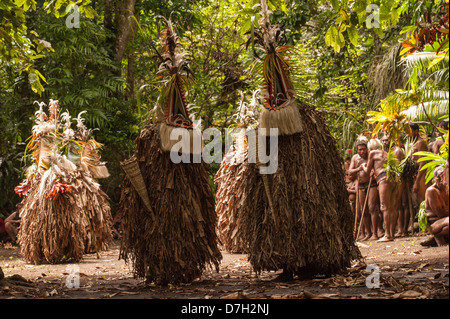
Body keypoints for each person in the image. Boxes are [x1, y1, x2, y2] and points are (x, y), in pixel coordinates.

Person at [362, 138, 399, 242]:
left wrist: (363, 166)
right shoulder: (386, 153)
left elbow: (367, 171)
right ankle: (391, 233)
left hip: (384, 179)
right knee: (391, 207)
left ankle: (387, 235)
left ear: (370, 148)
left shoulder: (372, 153)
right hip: (393, 179)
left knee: (384, 207)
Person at [347, 136, 381, 240]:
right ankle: (368, 234)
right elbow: (349, 172)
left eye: (363, 149)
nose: (362, 151)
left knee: (372, 207)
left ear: (367, 148)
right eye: (360, 149)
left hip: (371, 184)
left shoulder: (371, 155)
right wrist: (359, 167)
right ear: (357, 150)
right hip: (360, 185)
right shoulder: (355, 158)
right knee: (363, 210)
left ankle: (375, 233)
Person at [422, 167, 449, 246]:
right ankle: (438, 236)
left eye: (444, 178)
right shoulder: (431, 191)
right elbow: (440, 213)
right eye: (439, 178)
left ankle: (440, 238)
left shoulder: (446, 190)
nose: (442, 181)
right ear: (435, 178)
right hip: (435, 225)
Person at [409, 122, 429, 206]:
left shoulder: (420, 143)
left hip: (421, 176)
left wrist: (417, 181)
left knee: (423, 201)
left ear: (416, 131)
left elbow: (423, 162)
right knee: (417, 202)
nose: (407, 135)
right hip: (416, 175)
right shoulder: (413, 143)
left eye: (409, 132)